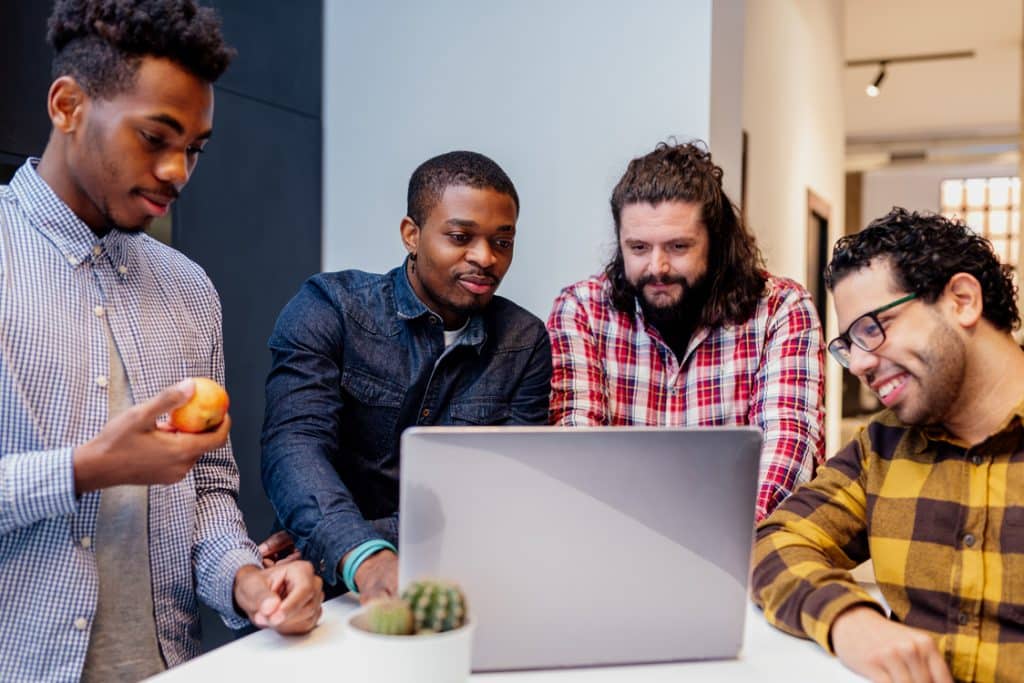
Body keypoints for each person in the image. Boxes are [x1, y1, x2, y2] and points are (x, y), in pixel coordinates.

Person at [0, 2, 322, 680]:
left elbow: (205, 490)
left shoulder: (189, 290)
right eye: (156, 137)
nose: (179, 170)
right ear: (68, 105)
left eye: (195, 148)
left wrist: (244, 579)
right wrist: (86, 466)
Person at [260, 151, 552, 602]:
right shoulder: (329, 308)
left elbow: (502, 495)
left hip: (447, 584)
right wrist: (359, 555)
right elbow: (293, 445)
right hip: (316, 587)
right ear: (411, 235)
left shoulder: (523, 341)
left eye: (502, 242)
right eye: (460, 236)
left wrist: (361, 542)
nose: (485, 258)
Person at [752, 207, 1024, 683]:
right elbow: (775, 541)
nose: (858, 364)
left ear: (962, 300)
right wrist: (848, 620)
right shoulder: (882, 447)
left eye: (873, 329)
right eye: (849, 344)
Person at [547, 141, 824, 520]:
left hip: (745, 545)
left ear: (716, 243)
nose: (657, 267)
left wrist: (728, 539)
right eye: (639, 247)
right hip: (614, 538)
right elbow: (575, 448)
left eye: (678, 246)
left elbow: (788, 444)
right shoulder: (582, 310)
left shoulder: (780, 309)